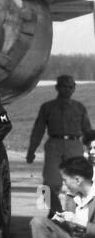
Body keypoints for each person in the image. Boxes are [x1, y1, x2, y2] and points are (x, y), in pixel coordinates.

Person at [26, 77, 91, 215]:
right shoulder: (47, 107)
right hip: (54, 144)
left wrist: (91, 149)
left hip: (74, 144)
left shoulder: (79, 107)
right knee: (50, 181)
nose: (67, 90)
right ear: (57, 88)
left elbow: (87, 130)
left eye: (70, 87)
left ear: (74, 89)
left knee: (77, 180)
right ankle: (54, 211)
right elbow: (38, 129)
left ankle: (73, 213)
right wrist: (31, 150)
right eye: (64, 86)